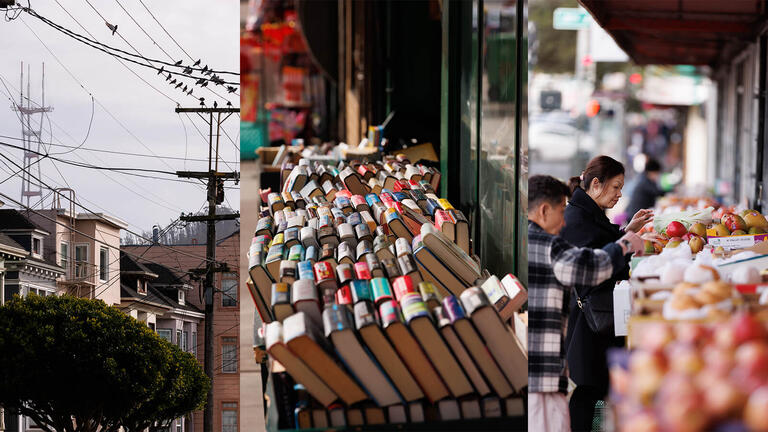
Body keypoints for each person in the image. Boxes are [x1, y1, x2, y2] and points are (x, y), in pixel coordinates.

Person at [527, 175, 643, 432]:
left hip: (539, 363)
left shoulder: (529, 238)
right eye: (560, 211)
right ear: (545, 211)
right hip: (545, 370)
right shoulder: (548, 245)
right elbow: (589, 266)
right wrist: (625, 244)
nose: (564, 220)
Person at [561, 155, 653, 432]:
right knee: (589, 389)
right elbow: (597, 261)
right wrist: (626, 243)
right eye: (616, 187)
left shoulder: (586, 210)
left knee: (599, 388)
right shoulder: (575, 216)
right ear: (597, 184)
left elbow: (602, 241)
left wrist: (629, 231)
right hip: (589, 319)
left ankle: (596, 428)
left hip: (600, 315)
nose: (619, 194)